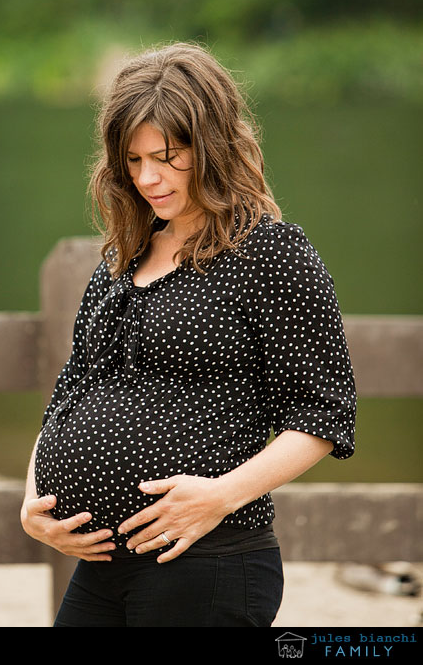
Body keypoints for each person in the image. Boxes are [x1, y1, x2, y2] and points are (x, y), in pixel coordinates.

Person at [20, 42, 356, 628]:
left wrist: (221, 496)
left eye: (168, 156)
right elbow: (71, 391)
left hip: (205, 561)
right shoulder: (121, 260)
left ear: (213, 146)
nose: (148, 177)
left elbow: (326, 413)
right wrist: (31, 503)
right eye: (133, 160)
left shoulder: (270, 254)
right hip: (103, 564)